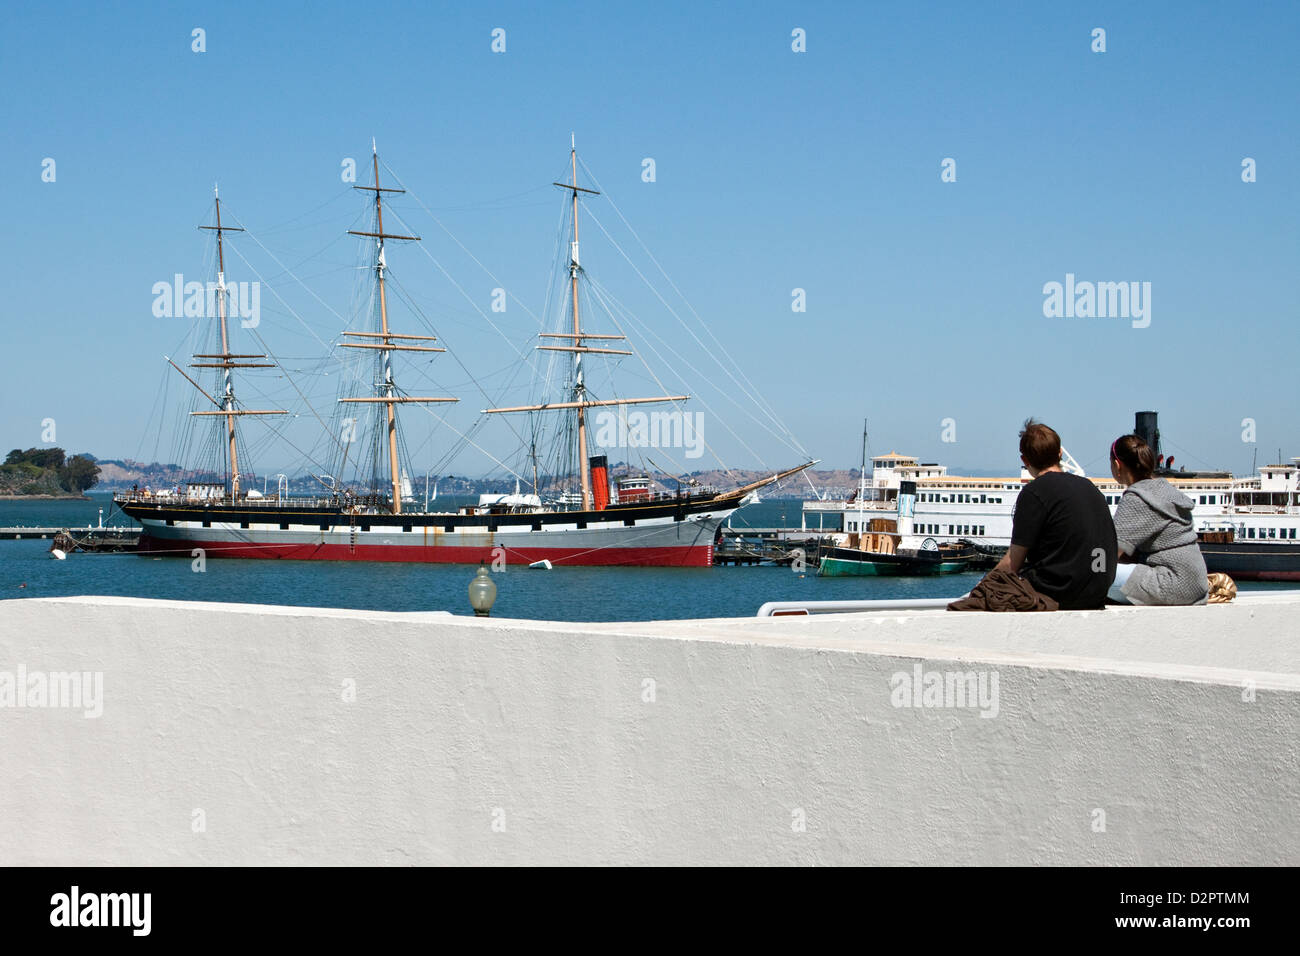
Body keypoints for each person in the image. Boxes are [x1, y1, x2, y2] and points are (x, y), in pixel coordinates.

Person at [991, 419, 1116, 609]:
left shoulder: (1033, 493)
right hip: (1097, 592)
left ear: (1025, 460)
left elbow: (1012, 563)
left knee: (989, 591)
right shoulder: (1090, 487)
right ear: (1060, 453)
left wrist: (984, 584)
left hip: (1059, 592)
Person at [1107, 434, 1208, 605]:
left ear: (1117, 465)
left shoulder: (1137, 497)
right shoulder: (1166, 490)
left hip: (1171, 582)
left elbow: (1109, 553)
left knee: (1094, 572)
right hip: (1197, 585)